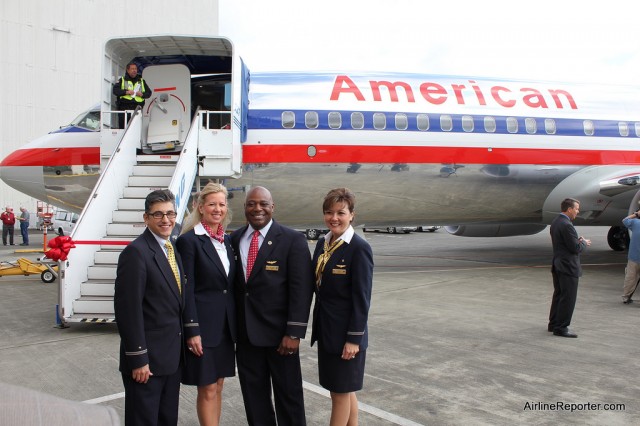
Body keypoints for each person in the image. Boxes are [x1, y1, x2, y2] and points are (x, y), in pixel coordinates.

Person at [230, 186, 314, 426]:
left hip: (281, 339)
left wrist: (294, 332)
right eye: (251, 204)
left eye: (263, 204)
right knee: (254, 398)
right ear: (245, 207)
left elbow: (302, 289)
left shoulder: (292, 240)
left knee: (289, 397)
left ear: (272, 207)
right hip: (246, 337)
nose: (257, 209)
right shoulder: (234, 240)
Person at [114, 189, 185, 426]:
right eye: (158, 215)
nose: (166, 220)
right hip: (148, 362)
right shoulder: (136, 253)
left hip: (170, 358)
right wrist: (138, 359)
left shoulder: (170, 248)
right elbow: (128, 310)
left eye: (170, 214)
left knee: (167, 419)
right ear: (146, 218)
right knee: (143, 420)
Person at [311, 188, 374, 426]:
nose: (334, 218)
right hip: (327, 330)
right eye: (329, 212)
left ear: (352, 215)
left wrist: (354, 339)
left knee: (339, 393)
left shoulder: (358, 248)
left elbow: (362, 298)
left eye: (341, 212)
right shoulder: (322, 244)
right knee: (344, 390)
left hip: (346, 335)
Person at [176, 183, 236, 426]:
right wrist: (192, 329)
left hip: (224, 329)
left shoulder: (226, 241)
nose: (217, 209)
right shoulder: (189, 241)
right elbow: (186, 289)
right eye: (212, 204)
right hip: (203, 328)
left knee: (219, 385)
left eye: (222, 204)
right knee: (208, 388)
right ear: (200, 207)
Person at [548, 198, 591, 338]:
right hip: (568, 267)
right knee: (568, 298)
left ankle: (553, 323)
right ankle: (561, 327)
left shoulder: (556, 222)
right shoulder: (567, 225)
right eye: (577, 209)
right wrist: (583, 243)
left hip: (558, 264)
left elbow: (565, 243)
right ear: (569, 209)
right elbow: (575, 248)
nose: (578, 212)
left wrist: (577, 241)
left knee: (559, 295)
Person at [112, 62, 152, 129]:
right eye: (132, 69)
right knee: (123, 129)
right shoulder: (122, 80)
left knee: (135, 129)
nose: (134, 70)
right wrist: (126, 92)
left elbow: (149, 93)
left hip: (137, 109)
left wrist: (142, 94)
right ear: (128, 70)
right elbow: (115, 91)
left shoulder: (141, 81)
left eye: (135, 69)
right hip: (124, 108)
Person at [620, 209, 640, 304]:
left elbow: (624, 220)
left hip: (634, 257)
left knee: (630, 278)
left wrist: (636, 214)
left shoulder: (636, 223)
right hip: (634, 257)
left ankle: (626, 297)